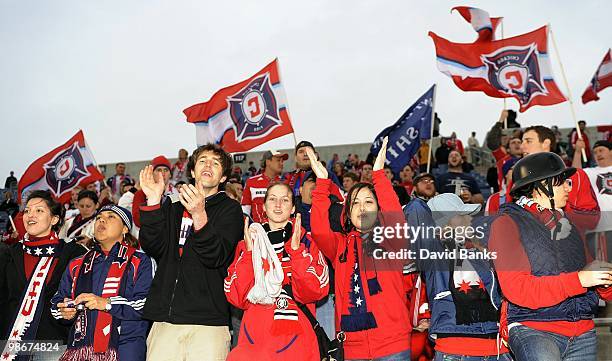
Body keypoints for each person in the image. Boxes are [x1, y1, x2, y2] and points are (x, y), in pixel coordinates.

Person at [489, 152, 612, 361]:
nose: (568, 188)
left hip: (582, 330)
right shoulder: (506, 224)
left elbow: (591, 281)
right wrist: (581, 279)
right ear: (540, 185)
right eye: (561, 182)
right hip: (534, 329)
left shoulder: (570, 226)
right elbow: (518, 289)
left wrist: (604, 281)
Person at [138, 143, 243, 361]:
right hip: (165, 320)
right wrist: (154, 201)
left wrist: (199, 214)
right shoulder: (173, 208)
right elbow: (152, 246)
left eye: (216, 163)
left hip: (208, 323)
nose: (208, 165)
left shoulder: (230, 210)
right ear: (193, 171)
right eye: (203, 161)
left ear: (223, 177)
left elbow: (216, 256)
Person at [311, 138, 413, 360]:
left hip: (392, 345)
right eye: (355, 203)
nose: (362, 208)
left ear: (378, 209)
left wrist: (378, 176)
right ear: (347, 213)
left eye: (368, 202)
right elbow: (318, 231)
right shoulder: (340, 244)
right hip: (352, 347)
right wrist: (321, 184)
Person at [224, 183, 329, 360]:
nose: (278, 205)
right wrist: (250, 255)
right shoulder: (249, 243)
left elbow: (315, 291)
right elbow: (236, 296)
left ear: (293, 207)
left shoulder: (305, 241)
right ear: (263, 207)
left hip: (296, 341)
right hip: (255, 339)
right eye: (272, 199)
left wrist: (296, 252)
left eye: (285, 200)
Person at [406, 193, 512, 360]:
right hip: (456, 349)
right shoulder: (433, 255)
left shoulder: (479, 253)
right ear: (444, 221)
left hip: (496, 349)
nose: (469, 219)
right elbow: (415, 209)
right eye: (461, 215)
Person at [52, 205, 153, 361]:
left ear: (125, 229)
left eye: (111, 217)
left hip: (124, 349)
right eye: (98, 218)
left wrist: (106, 303)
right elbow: (56, 302)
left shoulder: (141, 261)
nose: (102, 220)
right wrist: (65, 311)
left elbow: (146, 305)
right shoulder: (77, 263)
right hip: (79, 350)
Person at [0, 190, 87, 360]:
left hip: (53, 344)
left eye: (39, 210)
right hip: (12, 344)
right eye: (27, 210)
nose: (30, 215)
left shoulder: (72, 253)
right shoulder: (10, 254)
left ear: (54, 219)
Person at [521, 125, 600, 234]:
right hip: (532, 247)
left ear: (546, 143)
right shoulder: (520, 179)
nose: (522, 146)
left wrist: (559, 210)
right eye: (522, 142)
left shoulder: (575, 175)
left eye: (528, 141)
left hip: (571, 247)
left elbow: (592, 220)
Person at [575, 140, 612, 262]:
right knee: (605, 267)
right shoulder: (591, 172)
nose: (598, 154)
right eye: (595, 152)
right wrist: (578, 152)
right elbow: (575, 174)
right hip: (601, 227)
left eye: (601, 150)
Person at [241, 150, 288, 223]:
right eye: (278, 160)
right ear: (268, 162)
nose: (281, 163)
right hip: (257, 230)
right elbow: (245, 209)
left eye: (282, 161)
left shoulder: (286, 182)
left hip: (281, 229)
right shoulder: (251, 181)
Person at [132, 156, 176, 229]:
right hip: (149, 235)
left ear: (170, 174)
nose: (162, 173)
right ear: (152, 173)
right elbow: (137, 221)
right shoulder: (141, 194)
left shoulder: (177, 194)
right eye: (158, 170)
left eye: (166, 170)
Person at [486, 110, 523, 189]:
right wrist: (501, 120)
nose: (517, 144)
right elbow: (492, 141)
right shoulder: (503, 158)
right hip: (506, 196)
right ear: (508, 149)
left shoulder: (528, 159)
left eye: (519, 142)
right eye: (513, 143)